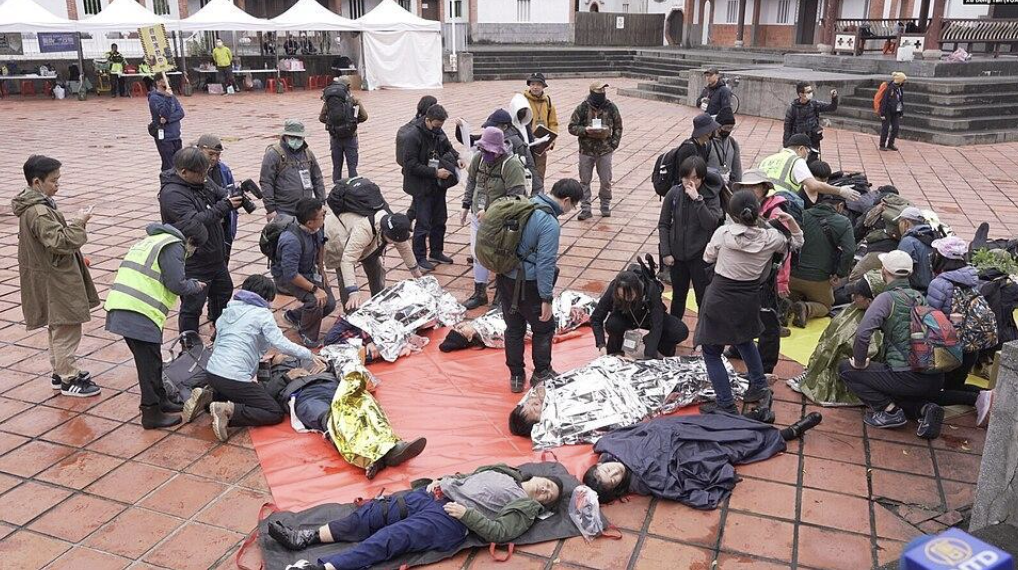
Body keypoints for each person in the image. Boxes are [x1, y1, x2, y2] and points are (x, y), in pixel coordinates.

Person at [267, 464, 563, 570]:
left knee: (392, 538)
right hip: (435, 494)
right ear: (537, 475)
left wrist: (467, 514)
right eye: (548, 483)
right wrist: (442, 480)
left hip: (452, 519)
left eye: (549, 494)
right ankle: (305, 537)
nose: (545, 489)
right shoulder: (506, 470)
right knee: (371, 515)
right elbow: (469, 476)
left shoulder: (525, 509)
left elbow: (499, 532)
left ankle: (324, 568)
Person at [696, 189, 803, 414]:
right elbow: (797, 242)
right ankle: (759, 386)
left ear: (733, 215)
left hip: (720, 295)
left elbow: (707, 257)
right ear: (758, 212)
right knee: (745, 340)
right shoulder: (772, 238)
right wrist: (791, 222)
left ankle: (725, 403)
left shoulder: (723, 234)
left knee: (712, 350)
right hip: (749, 296)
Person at [582, 413, 822, 508]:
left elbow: (642, 429)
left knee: (714, 422)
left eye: (606, 472)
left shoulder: (611, 444)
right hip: (688, 452)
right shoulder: (640, 483)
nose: (614, 472)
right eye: (613, 480)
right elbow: (667, 482)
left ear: (600, 465)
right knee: (730, 446)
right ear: (617, 488)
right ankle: (786, 434)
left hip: (677, 431)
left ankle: (755, 416)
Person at [13, 155, 101, 397]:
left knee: (58, 326)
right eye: (54, 181)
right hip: (56, 279)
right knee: (66, 327)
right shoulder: (40, 212)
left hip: (50, 275)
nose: (57, 185)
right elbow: (60, 242)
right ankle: (68, 378)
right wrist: (79, 223)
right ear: (36, 182)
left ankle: (59, 371)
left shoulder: (35, 206)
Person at [105, 221, 208, 428]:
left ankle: (161, 400)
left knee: (153, 360)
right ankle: (150, 413)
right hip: (137, 310)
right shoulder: (173, 246)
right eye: (194, 248)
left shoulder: (154, 240)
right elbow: (176, 283)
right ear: (190, 241)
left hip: (126, 305)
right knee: (148, 364)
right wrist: (195, 286)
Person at [838, 250, 945, 439]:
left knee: (846, 369)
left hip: (906, 376)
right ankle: (925, 410)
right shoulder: (921, 298)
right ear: (910, 273)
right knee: (894, 389)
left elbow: (863, 334)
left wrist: (860, 363)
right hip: (933, 376)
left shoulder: (886, 299)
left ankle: (888, 412)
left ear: (883, 271)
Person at [205, 275, 326, 441]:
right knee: (273, 412)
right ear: (267, 298)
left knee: (241, 392)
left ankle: (209, 398)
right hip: (233, 378)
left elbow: (218, 344)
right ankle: (228, 411)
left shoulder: (229, 309)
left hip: (212, 373)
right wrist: (309, 354)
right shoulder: (262, 314)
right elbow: (282, 343)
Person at [267, 357, 426, 479]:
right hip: (305, 397)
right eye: (281, 354)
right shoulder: (274, 373)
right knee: (333, 420)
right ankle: (368, 458)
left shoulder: (306, 357)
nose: (285, 354)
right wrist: (286, 377)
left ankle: (392, 447)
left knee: (364, 410)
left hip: (332, 388)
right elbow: (266, 394)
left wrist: (325, 365)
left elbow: (339, 365)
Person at [499, 179, 582, 393]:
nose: (570, 210)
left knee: (514, 327)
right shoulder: (549, 223)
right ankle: (541, 372)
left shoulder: (527, 203)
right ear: (566, 201)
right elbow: (545, 263)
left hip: (505, 277)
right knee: (544, 327)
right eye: (572, 206)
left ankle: (516, 376)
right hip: (529, 283)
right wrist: (546, 298)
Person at [159, 147, 242, 342]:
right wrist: (226, 206)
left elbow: (219, 192)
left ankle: (219, 330)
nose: (205, 177)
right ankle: (189, 346)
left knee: (223, 291)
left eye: (206, 172)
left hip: (215, 254)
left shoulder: (201, 178)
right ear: (184, 172)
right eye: (201, 174)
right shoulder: (171, 194)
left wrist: (233, 193)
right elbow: (195, 221)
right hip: (194, 259)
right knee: (192, 306)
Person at [790, 272, 885, 406]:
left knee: (843, 346)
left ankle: (826, 381)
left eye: (857, 295)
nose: (852, 297)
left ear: (869, 301)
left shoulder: (875, 331)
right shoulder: (855, 309)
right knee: (833, 338)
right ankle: (813, 374)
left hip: (853, 367)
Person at [460, 126, 529, 310]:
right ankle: (479, 292)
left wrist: (491, 211)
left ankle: (501, 294)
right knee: (478, 254)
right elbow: (472, 182)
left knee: (499, 256)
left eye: (490, 151)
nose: (486, 154)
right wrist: (466, 205)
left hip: (501, 220)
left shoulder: (512, 165)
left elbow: (516, 197)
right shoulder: (478, 159)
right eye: (483, 150)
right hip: (478, 214)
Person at [734, 169, 795, 373]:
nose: (749, 190)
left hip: (768, 277)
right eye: (746, 187)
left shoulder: (776, 213)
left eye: (754, 186)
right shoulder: (742, 208)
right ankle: (737, 348)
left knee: (768, 321)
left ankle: (766, 365)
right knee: (742, 313)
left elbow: (789, 248)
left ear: (764, 189)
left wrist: (782, 281)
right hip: (745, 273)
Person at [925, 236, 992, 410]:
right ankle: (987, 396)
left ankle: (980, 399)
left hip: (950, 348)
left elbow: (931, 319)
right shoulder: (971, 278)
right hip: (971, 346)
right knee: (956, 385)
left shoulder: (939, 284)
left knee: (936, 393)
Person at [658, 156, 723, 320]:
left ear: (702, 178)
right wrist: (666, 252)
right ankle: (673, 335)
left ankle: (701, 341)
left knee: (703, 298)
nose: (690, 182)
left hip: (700, 257)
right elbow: (664, 224)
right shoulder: (674, 193)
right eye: (686, 177)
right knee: (678, 297)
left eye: (695, 178)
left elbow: (711, 223)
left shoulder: (710, 196)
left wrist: (697, 199)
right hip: (677, 256)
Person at [324, 201, 421, 311]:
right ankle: (350, 314)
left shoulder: (395, 225)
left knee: (377, 270)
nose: (393, 243)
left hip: (369, 243)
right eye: (392, 241)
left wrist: (416, 272)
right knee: (345, 277)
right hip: (338, 237)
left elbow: (404, 247)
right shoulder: (364, 230)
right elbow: (347, 260)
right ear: (386, 233)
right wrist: (353, 292)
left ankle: (378, 306)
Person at [401, 104, 461, 270]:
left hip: (438, 186)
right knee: (423, 223)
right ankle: (419, 258)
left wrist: (457, 158)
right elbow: (411, 165)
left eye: (440, 126)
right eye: (436, 126)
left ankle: (436, 251)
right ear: (427, 120)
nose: (438, 129)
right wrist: (435, 173)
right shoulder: (413, 137)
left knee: (440, 219)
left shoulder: (438, 132)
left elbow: (448, 147)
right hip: (421, 186)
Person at [272, 198, 336, 347]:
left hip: (308, 271)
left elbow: (321, 248)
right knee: (316, 301)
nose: (325, 216)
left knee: (330, 303)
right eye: (322, 215)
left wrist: (322, 273)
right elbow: (290, 274)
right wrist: (315, 289)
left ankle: (294, 316)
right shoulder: (291, 240)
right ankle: (307, 336)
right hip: (288, 276)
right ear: (309, 222)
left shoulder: (317, 228)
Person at [590, 266, 689, 359]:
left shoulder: (651, 289)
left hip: (648, 317)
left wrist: (648, 356)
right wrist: (601, 345)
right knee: (613, 324)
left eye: (630, 295)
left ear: (637, 290)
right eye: (621, 295)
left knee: (680, 331)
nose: (626, 298)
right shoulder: (614, 288)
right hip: (625, 316)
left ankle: (658, 345)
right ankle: (615, 349)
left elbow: (657, 324)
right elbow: (596, 318)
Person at [789, 193, 857, 327]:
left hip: (792, 276)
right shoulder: (843, 222)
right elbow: (849, 251)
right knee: (825, 305)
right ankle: (806, 308)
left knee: (790, 296)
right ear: (840, 206)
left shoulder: (802, 215)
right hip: (819, 279)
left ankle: (787, 304)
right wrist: (839, 273)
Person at [758, 134, 860, 215]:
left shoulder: (766, 160)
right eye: (808, 152)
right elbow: (814, 185)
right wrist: (840, 191)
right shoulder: (796, 161)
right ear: (801, 149)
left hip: (758, 205)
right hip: (778, 207)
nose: (808, 156)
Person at [568, 81, 623, 220]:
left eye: (603, 91)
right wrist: (585, 130)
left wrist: (613, 144)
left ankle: (605, 205)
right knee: (584, 181)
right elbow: (572, 127)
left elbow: (618, 126)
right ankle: (585, 208)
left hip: (605, 151)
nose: (601, 94)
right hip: (586, 151)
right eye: (599, 91)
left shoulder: (611, 108)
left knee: (605, 180)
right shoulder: (582, 108)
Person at [260, 119, 326, 219]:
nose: (296, 140)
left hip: (306, 209)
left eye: (299, 137)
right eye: (292, 137)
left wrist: (321, 202)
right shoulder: (273, 154)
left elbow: (317, 179)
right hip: (283, 209)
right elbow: (266, 182)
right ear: (285, 136)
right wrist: (270, 209)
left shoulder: (307, 153)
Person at [196, 134, 238, 257]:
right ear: (199, 150)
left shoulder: (224, 170)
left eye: (217, 154)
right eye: (210, 154)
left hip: (223, 226)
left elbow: (231, 194)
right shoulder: (191, 171)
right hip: (202, 226)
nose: (214, 158)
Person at [319, 76, 368, 181]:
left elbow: (322, 118)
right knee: (352, 167)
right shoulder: (354, 100)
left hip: (335, 136)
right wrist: (352, 122)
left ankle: (336, 190)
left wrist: (334, 124)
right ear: (349, 86)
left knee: (336, 167)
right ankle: (354, 188)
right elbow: (364, 116)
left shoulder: (330, 101)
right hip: (350, 136)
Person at [783, 81, 838, 163]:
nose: (810, 93)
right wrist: (786, 146)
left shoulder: (814, 104)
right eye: (808, 92)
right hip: (799, 141)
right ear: (801, 94)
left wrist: (834, 97)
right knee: (798, 163)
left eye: (811, 91)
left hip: (813, 140)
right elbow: (787, 128)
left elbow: (832, 107)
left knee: (813, 163)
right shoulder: (793, 108)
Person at [523, 72, 558, 183]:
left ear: (543, 86)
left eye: (538, 84)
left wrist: (551, 141)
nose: (535, 87)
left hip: (542, 144)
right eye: (532, 84)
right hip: (527, 142)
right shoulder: (522, 100)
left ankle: (539, 196)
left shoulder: (548, 101)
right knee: (526, 174)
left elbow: (553, 123)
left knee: (539, 174)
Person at [148, 75, 186, 172]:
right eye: (164, 81)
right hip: (164, 137)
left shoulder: (172, 96)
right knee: (168, 165)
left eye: (167, 81)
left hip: (176, 135)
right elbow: (162, 114)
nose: (167, 83)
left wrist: (169, 119)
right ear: (158, 83)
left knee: (179, 163)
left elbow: (181, 113)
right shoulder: (154, 98)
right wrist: (168, 99)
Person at [895, 206, 938, 292]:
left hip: (916, 291)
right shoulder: (934, 235)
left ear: (906, 223)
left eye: (900, 222)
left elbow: (901, 271)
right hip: (934, 290)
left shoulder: (908, 242)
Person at [707, 106, 742, 186]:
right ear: (718, 126)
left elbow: (737, 169)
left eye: (731, 128)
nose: (728, 131)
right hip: (711, 187)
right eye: (726, 128)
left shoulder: (732, 143)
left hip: (727, 187)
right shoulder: (708, 142)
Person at [879, 72, 907, 152]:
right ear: (900, 81)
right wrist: (882, 113)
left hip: (896, 111)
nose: (904, 82)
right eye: (903, 80)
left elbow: (901, 101)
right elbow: (884, 101)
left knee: (896, 127)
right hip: (887, 111)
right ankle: (882, 144)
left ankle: (890, 143)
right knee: (885, 128)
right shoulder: (890, 88)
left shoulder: (900, 88)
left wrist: (901, 112)